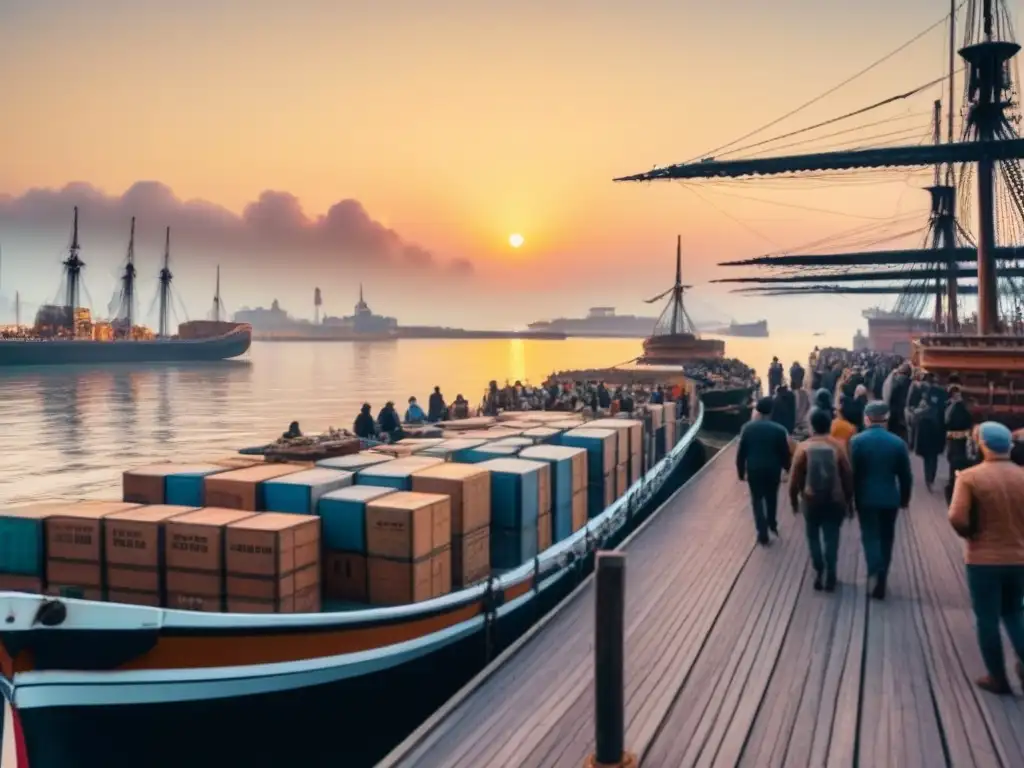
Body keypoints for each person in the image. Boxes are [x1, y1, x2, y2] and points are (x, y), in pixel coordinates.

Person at [948, 421, 1024, 695]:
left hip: (983, 559)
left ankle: (997, 677)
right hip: (1019, 557)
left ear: (983, 444)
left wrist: (970, 534)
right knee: (1015, 612)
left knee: (987, 618)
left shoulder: (970, 477)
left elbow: (956, 516)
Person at [849, 400, 913, 600]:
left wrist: (849, 499)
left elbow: (851, 473)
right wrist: (904, 498)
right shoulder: (897, 443)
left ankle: (874, 570)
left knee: (870, 537)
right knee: (887, 538)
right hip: (889, 498)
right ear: (886, 419)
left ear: (866, 418)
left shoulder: (856, 442)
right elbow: (905, 475)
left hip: (865, 497)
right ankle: (882, 578)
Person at [790, 408, 854, 591]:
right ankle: (831, 573)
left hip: (811, 500)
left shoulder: (803, 447)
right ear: (829, 426)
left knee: (813, 536)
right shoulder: (838, 447)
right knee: (831, 537)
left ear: (812, 427)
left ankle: (819, 569)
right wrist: (849, 500)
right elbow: (848, 475)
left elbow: (794, 478)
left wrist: (794, 501)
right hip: (835, 500)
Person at [737, 397, 793, 545]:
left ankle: (762, 533)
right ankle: (772, 523)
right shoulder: (779, 430)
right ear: (771, 411)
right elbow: (785, 453)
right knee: (771, 497)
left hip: (754, 469)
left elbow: (741, 453)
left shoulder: (747, 428)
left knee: (756, 500)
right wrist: (788, 469)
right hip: (773, 469)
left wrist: (741, 472)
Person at [914, 377, 947, 491]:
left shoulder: (925, 393)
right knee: (933, 456)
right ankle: (930, 479)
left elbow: (918, 410)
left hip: (927, 430)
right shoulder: (941, 394)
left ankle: (928, 479)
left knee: (928, 457)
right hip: (936, 430)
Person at [944, 384, 974, 504]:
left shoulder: (951, 407)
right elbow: (968, 421)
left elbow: (946, 421)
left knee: (953, 462)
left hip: (953, 440)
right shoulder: (962, 409)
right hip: (961, 440)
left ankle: (953, 484)